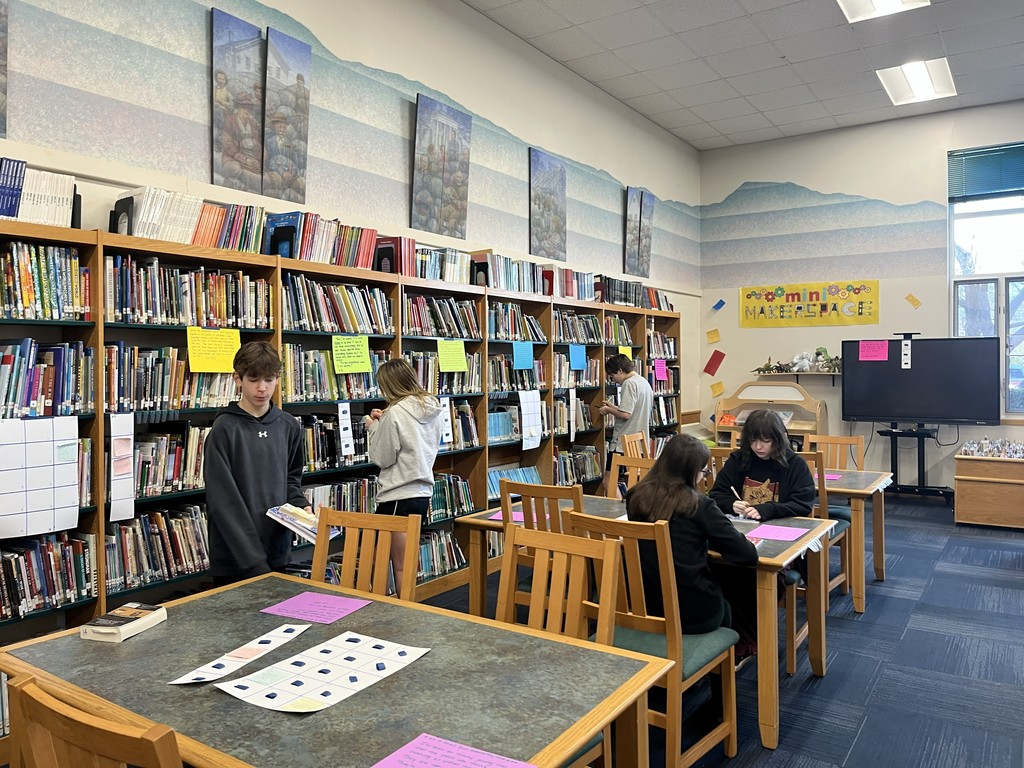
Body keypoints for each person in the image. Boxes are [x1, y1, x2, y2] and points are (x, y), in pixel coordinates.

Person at [708, 409, 816, 663]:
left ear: (777, 440)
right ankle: (736, 638)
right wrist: (732, 505)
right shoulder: (740, 460)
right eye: (754, 440)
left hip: (780, 540)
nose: (758, 447)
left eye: (765, 441)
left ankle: (749, 640)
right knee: (720, 569)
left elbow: (803, 504)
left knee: (751, 575)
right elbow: (716, 494)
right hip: (741, 536)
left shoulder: (793, 464)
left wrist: (766, 509)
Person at [626, 434, 758, 635]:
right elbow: (747, 555)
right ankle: (734, 654)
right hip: (691, 613)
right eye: (704, 471)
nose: (704, 477)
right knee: (732, 595)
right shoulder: (699, 505)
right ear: (692, 472)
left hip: (644, 604)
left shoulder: (636, 496)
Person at [204, 341, 310, 587]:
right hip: (235, 558)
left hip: (276, 551)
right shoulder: (224, 430)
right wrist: (254, 562)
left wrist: (300, 506)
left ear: (277, 379)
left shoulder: (289, 426)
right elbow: (223, 502)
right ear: (237, 379)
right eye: (253, 379)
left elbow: (291, 480)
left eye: (269, 379)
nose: (262, 388)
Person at [363, 359, 444, 590]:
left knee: (395, 565)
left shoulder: (395, 412)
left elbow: (383, 457)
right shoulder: (433, 407)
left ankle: (406, 617)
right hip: (421, 492)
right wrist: (384, 420)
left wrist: (374, 428)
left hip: (397, 495)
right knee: (393, 561)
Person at [599, 353, 653, 493]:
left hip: (622, 443)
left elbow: (626, 414)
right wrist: (613, 407)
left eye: (613, 375)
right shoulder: (643, 382)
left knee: (608, 482)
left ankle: (618, 513)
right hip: (639, 441)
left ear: (621, 370)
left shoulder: (629, 384)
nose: (614, 380)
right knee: (633, 483)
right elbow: (633, 411)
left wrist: (608, 411)